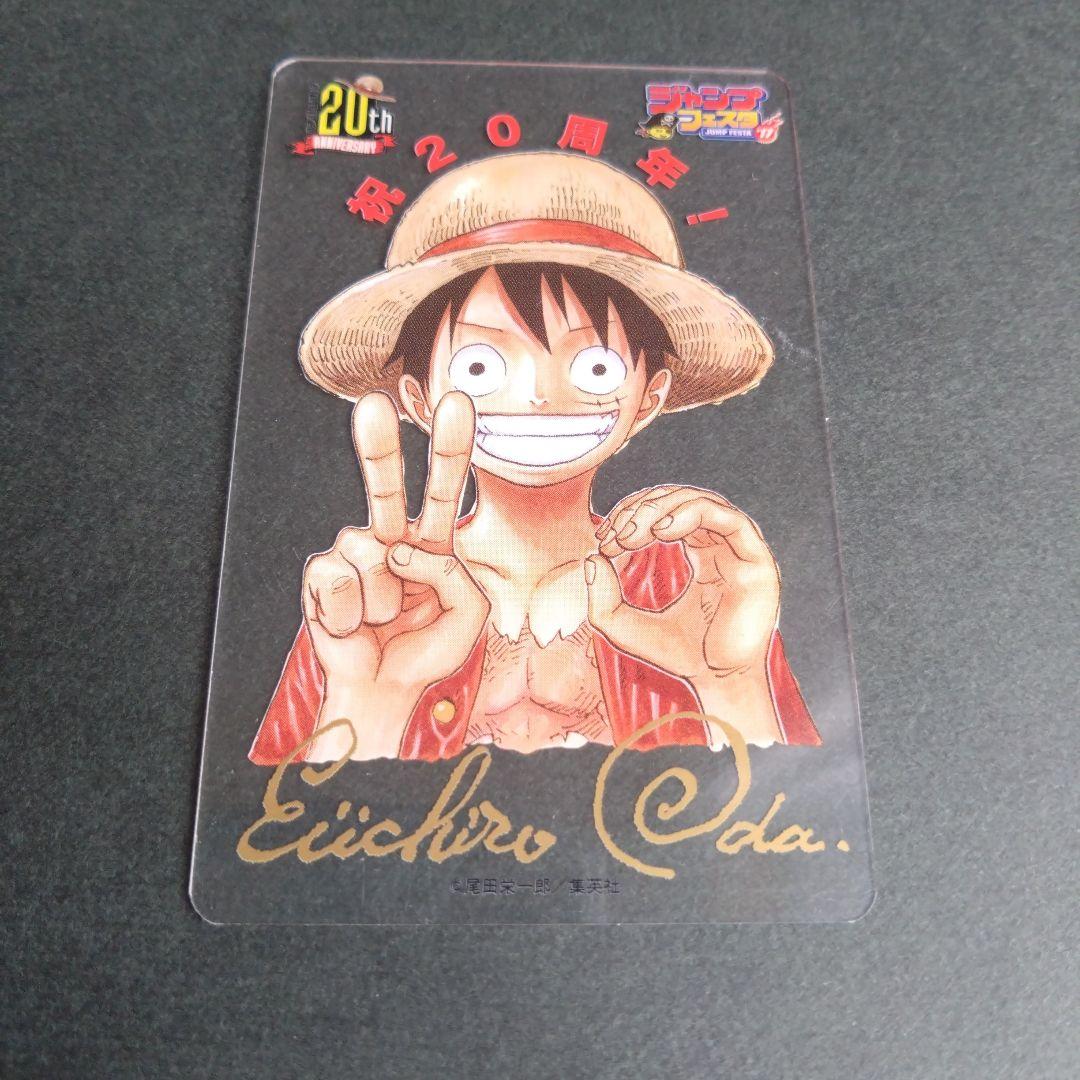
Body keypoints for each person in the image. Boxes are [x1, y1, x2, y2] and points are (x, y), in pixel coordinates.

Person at [249, 151, 820, 763]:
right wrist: (371, 696)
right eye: (481, 366)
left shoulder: (691, 583)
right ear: (419, 401)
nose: (538, 395)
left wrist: (730, 682)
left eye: (594, 366)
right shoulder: (382, 591)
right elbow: (284, 812)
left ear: (649, 399)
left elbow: (786, 806)